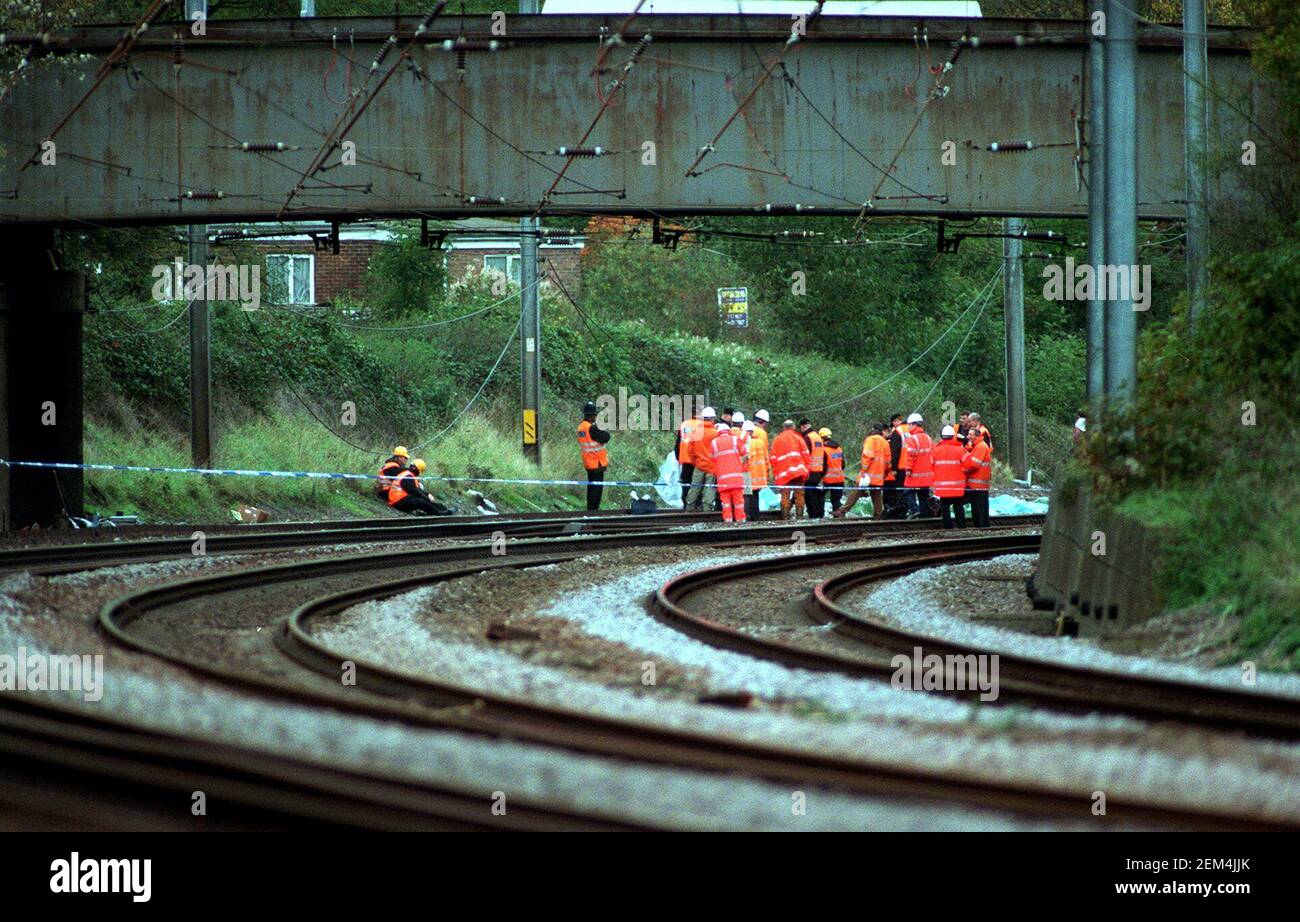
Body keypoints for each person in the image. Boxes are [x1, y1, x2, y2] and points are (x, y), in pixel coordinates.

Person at [834, 421, 889, 518]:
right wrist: (885, 472)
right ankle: (878, 515)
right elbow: (888, 460)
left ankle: (842, 511)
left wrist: (863, 471)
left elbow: (867, 456)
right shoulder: (884, 442)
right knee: (876, 495)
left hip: (868, 474)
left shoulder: (870, 439)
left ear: (873, 429)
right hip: (879, 474)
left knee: (857, 491)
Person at [770, 419, 811, 520]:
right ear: (793, 427)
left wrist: (776, 474)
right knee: (799, 495)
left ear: (783, 428)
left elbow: (773, 459)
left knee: (785, 496)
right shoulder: (799, 438)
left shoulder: (777, 440)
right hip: (799, 472)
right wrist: (806, 471)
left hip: (784, 475)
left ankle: (785, 518)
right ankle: (799, 517)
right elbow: (806, 455)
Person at [710, 421, 747, 524]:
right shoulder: (735, 439)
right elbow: (745, 454)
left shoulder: (713, 443)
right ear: (728, 430)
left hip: (722, 479)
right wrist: (740, 465)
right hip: (736, 478)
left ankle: (728, 521)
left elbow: (711, 460)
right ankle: (740, 521)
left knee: (725, 503)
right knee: (738, 502)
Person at [931, 426, 968, 529]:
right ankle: (961, 526)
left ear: (942, 436)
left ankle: (947, 527)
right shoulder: (960, 450)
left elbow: (930, 464)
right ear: (953, 436)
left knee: (945, 506)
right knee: (958, 505)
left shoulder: (935, 450)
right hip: (957, 485)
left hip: (942, 485)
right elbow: (968, 464)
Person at [577, 400, 611, 511]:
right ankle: (593, 512)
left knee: (591, 488)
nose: (595, 417)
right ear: (591, 416)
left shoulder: (581, 427)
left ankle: (590, 511)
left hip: (588, 463)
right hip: (597, 463)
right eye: (594, 415)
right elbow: (606, 437)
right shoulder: (591, 428)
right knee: (596, 490)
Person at [685, 406, 719, 512]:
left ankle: (689, 508)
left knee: (695, 487)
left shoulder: (696, 432)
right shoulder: (716, 433)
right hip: (712, 466)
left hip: (699, 465)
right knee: (709, 488)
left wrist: (695, 462)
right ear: (713, 419)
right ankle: (707, 510)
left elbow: (690, 450)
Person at [903, 412, 933, 518]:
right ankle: (924, 516)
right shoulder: (928, 438)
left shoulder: (912, 439)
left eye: (909, 424)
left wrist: (908, 469)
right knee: (923, 495)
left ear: (914, 424)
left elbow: (911, 455)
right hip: (927, 474)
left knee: (907, 491)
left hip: (915, 473)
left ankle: (914, 510)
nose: (908, 427)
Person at [962, 425, 993, 528]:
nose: (968, 436)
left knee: (979, 508)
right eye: (968, 434)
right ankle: (982, 526)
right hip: (978, 484)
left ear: (977, 436)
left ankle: (981, 526)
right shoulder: (978, 446)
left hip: (978, 484)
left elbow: (974, 464)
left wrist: (963, 470)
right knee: (979, 507)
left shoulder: (980, 447)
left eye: (970, 434)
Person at [745, 409, 771, 521]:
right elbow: (764, 453)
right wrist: (767, 470)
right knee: (754, 495)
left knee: (747, 495)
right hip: (758, 470)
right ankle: (754, 516)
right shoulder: (762, 434)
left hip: (747, 469)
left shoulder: (745, 432)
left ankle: (747, 516)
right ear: (763, 422)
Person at [799, 419, 826, 519]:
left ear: (803, 426)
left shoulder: (807, 438)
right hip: (819, 470)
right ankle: (819, 515)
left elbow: (805, 455)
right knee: (817, 494)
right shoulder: (817, 437)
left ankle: (813, 515)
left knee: (810, 495)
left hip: (810, 471)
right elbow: (823, 455)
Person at [675, 411, 701, 506]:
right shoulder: (700, 425)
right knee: (697, 483)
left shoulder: (684, 425)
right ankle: (696, 504)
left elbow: (678, 443)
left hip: (685, 459)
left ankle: (686, 503)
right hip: (697, 460)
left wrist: (678, 457)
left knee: (685, 482)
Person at [819, 428, 845, 514]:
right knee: (836, 500)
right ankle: (838, 519)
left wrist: (820, 478)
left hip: (827, 480)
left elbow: (823, 467)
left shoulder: (824, 450)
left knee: (819, 496)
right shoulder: (839, 448)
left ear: (822, 438)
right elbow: (843, 464)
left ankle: (819, 516)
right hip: (840, 479)